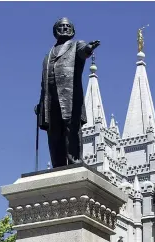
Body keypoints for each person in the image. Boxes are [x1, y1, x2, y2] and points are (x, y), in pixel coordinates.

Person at [36, 18, 100, 168]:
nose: (64, 28)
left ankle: (75, 161)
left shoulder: (76, 45)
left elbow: (83, 51)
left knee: (71, 130)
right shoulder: (48, 55)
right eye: (61, 26)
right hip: (50, 100)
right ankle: (57, 165)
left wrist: (88, 49)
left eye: (67, 26)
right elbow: (43, 83)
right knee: (54, 133)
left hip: (69, 97)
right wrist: (40, 104)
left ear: (72, 30)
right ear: (55, 30)